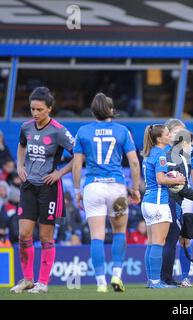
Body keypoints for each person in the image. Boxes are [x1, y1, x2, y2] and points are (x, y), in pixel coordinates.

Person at [72, 93, 141, 293]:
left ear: (93, 110)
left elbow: (77, 165)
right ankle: (117, 275)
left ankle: (101, 282)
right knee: (119, 232)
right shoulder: (122, 131)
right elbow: (134, 162)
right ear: (112, 110)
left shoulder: (83, 131)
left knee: (97, 237)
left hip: (93, 187)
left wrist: (77, 190)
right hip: (116, 188)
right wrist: (135, 188)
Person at [10, 87, 75, 294]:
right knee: (23, 235)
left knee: (46, 237)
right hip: (29, 186)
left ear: (49, 109)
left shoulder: (59, 131)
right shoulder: (26, 127)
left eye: (39, 109)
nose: (35, 113)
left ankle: (43, 283)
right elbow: (21, 146)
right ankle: (28, 279)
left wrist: (60, 173)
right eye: (32, 109)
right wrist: (20, 166)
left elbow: (79, 155)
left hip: (49, 188)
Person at [141, 124, 186, 289]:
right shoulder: (160, 155)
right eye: (168, 134)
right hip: (158, 202)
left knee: (152, 242)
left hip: (147, 201)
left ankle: (150, 280)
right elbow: (160, 179)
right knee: (158, 243)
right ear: (159, 138)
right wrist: (177, 180)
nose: (170, 136)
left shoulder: (149, 153)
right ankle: (155, 282)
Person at [161, 129, 193, 287]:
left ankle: (165, 278)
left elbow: (191, 180)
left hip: (175, 200)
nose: (192, 147)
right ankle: (165, 278)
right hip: (174, 201)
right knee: (170, 240)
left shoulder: (176, 156)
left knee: (173, 240)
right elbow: (178, 186)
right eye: (190, 144)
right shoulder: (175, 158)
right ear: (184, 143)